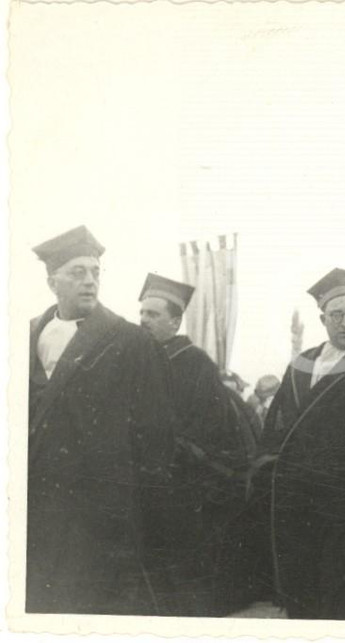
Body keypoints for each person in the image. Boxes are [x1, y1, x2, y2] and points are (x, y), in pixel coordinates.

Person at [27, 226, 176, 614]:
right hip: (39, 509)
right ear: (51, 281)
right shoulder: (26, 335)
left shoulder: (130, 341)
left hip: (101, 517)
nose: (90, 281)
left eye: (95, 272)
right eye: (77, 272)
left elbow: (156, 434)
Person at [255, 268, 345, 619]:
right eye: (337, 315)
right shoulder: (301, 365)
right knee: (300, 600)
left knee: (341, 603)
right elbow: (276, 426)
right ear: (323, 319)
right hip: (297, 504)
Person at [137, 273, 258, 616]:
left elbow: (204, 432)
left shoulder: (193, 363)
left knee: (186, 583)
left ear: (175, 321)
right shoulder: (145, 357)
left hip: (188, 491)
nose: (144, 320)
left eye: (153, 315)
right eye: (142, 313)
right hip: (157, 488)